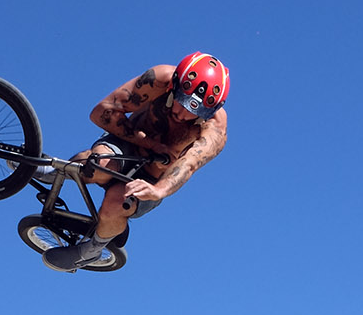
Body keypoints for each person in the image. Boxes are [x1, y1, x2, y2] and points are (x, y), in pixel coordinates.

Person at [40, 54, 229, 272]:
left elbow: (189, 163)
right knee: (98, 162)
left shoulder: (215, 128)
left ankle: (91, 251)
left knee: (118, 201)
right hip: (129, 142)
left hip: (152, 178)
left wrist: (158, 191)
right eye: (179, 101)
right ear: (174, 84)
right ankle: (53, 172)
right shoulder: (159, 79)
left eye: (192, 112)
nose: (180, 113)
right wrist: (148, 143)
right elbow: (102, 112)